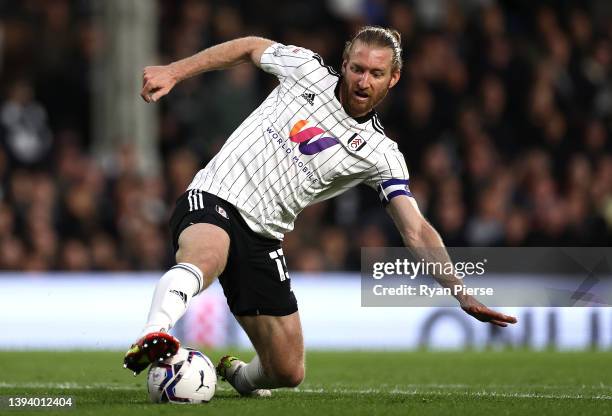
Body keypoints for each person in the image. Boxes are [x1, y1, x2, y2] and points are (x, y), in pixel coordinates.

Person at [123, 26, 517, 396]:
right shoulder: (305, 69)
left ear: (393, 79)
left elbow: (415, 230)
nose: (363, 81)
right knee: (206, 255)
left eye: (376, 73)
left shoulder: (381, 154)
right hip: (215, 197)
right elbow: (248, 46)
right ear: (344, 64)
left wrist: (461, 293)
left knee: (288, 371)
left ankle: (237, 375)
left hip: (263, 239)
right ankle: (155, 334)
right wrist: (175, 71)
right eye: (357, 69)